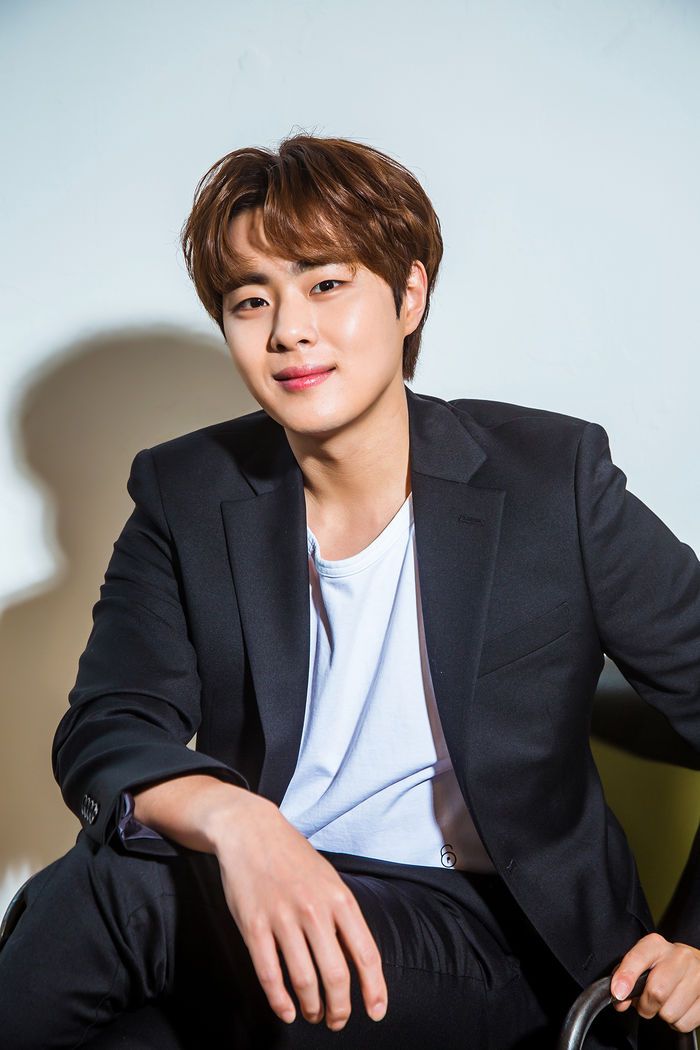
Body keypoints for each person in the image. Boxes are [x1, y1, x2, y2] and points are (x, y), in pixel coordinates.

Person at [0, 133, 698, 1050]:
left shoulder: (550, 480)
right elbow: (108, 723)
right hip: (271, 898)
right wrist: (240, 822)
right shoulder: (189, 491)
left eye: (326, 284)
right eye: (252, 300)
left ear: (409, 295)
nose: (289, 330)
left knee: (115, 892)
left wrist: (696, 942)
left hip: (500, 943)